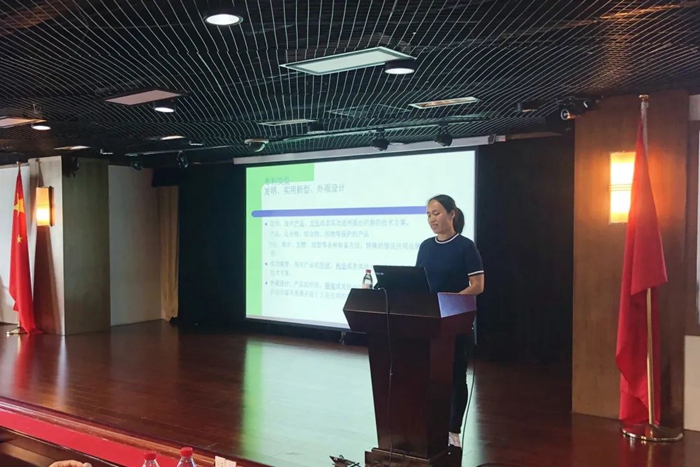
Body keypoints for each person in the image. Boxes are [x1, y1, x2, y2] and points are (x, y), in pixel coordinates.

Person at [415, 194, 484, 449]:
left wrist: (449, 302)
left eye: (436, 213)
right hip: (429, 322)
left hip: (456, 322)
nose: (432, 219)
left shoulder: (465, 246)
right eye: (428, 215)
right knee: (427, 376)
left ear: (451, 214)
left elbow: (477, 285)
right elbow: (419, 282)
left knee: (455, 377)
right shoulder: (425, 246)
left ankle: (453, 431)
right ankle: (429, 426)